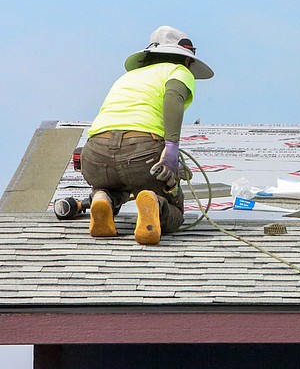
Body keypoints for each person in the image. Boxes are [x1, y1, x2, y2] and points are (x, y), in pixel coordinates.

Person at [80, 26, 213, 245]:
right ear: (187, 60)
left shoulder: (128, 77)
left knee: (115, 184)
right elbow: (172, 99)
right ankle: (156, 205)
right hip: (141, 150)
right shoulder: (178, 72)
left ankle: (101, 198)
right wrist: (171, 147)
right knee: (175, 208)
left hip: (95, 152)